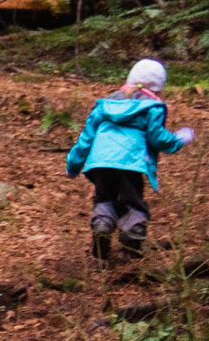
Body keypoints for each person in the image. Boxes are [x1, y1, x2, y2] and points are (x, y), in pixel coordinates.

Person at [65, 58, 194, 261]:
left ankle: (102, 227)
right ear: (157, 89)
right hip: (131, 162)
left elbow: (86, 138)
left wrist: (73, 165)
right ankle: (131, 248)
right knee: (133, 202)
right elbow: (158, 137)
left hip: (102, 161)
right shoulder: (151, 108)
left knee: (104, 198)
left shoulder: (105, 105)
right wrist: (177, 140)